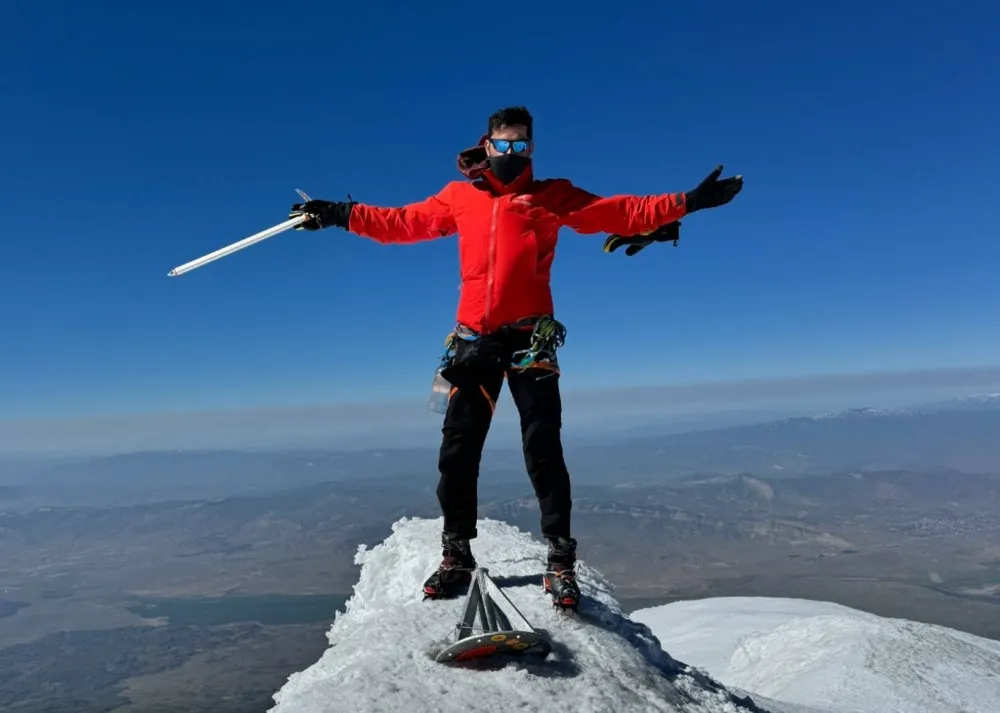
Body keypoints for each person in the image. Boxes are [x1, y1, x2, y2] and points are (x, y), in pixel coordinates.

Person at [289, 106, 743, 610]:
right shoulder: (458, 198)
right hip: (474, 340)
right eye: (503, 145)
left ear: (530, 148)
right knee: (458, 449)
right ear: (486, 145)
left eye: (520, 145)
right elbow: (402, 223)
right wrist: (338, 214)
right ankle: (456, 554)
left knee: (543, 446)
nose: (511, 154)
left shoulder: (550, 197)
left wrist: (687, 203)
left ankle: (560, 560)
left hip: (530, 341)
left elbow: (619, 213)